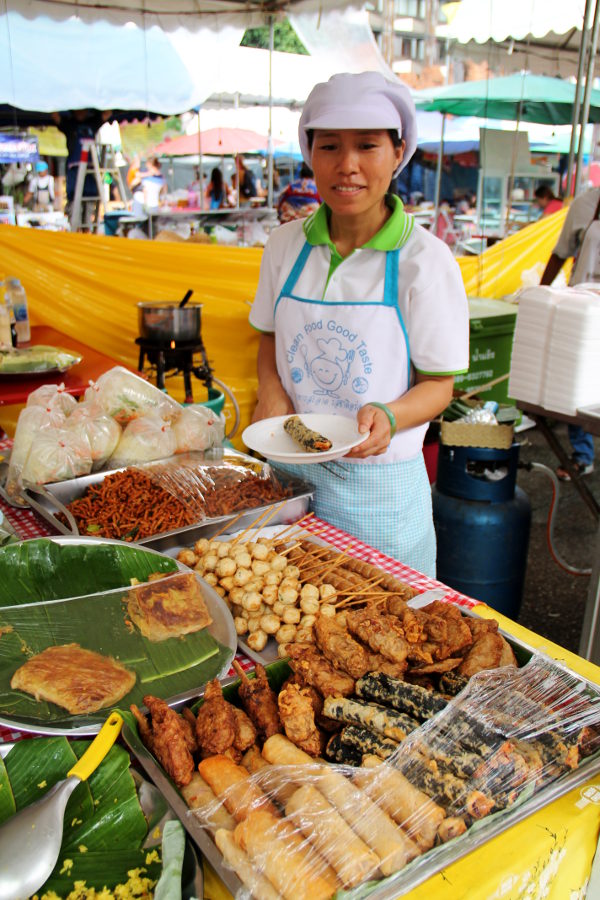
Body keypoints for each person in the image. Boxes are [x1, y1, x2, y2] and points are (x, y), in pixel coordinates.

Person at [249, 72, 469, 575]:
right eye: (329, 146)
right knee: (287, 615)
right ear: (310, 153)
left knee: (384, 631)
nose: (346, 166)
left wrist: (390, 416)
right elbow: (268, 337)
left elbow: (440, 385)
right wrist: (271, 390)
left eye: (367, 145)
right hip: (289, 474)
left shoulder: (425, 261)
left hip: (379, 490)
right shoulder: (285, 246)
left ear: (398, 152)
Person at [540, 186, 597, 480]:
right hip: (583, 309)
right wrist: (539, 296)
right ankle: (583, 454)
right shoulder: (584, 203)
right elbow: (560, 252)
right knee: (579, 382)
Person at [51, 109, 113, 204]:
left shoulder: (92, 123)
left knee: (90, 198)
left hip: (90, 168)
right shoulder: (69, 124)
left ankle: (88, 217)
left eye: (83, 110)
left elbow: (108, 113)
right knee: (74, 199)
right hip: (74, 168)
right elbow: (55, 116)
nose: (80, 112)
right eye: (78, 110)